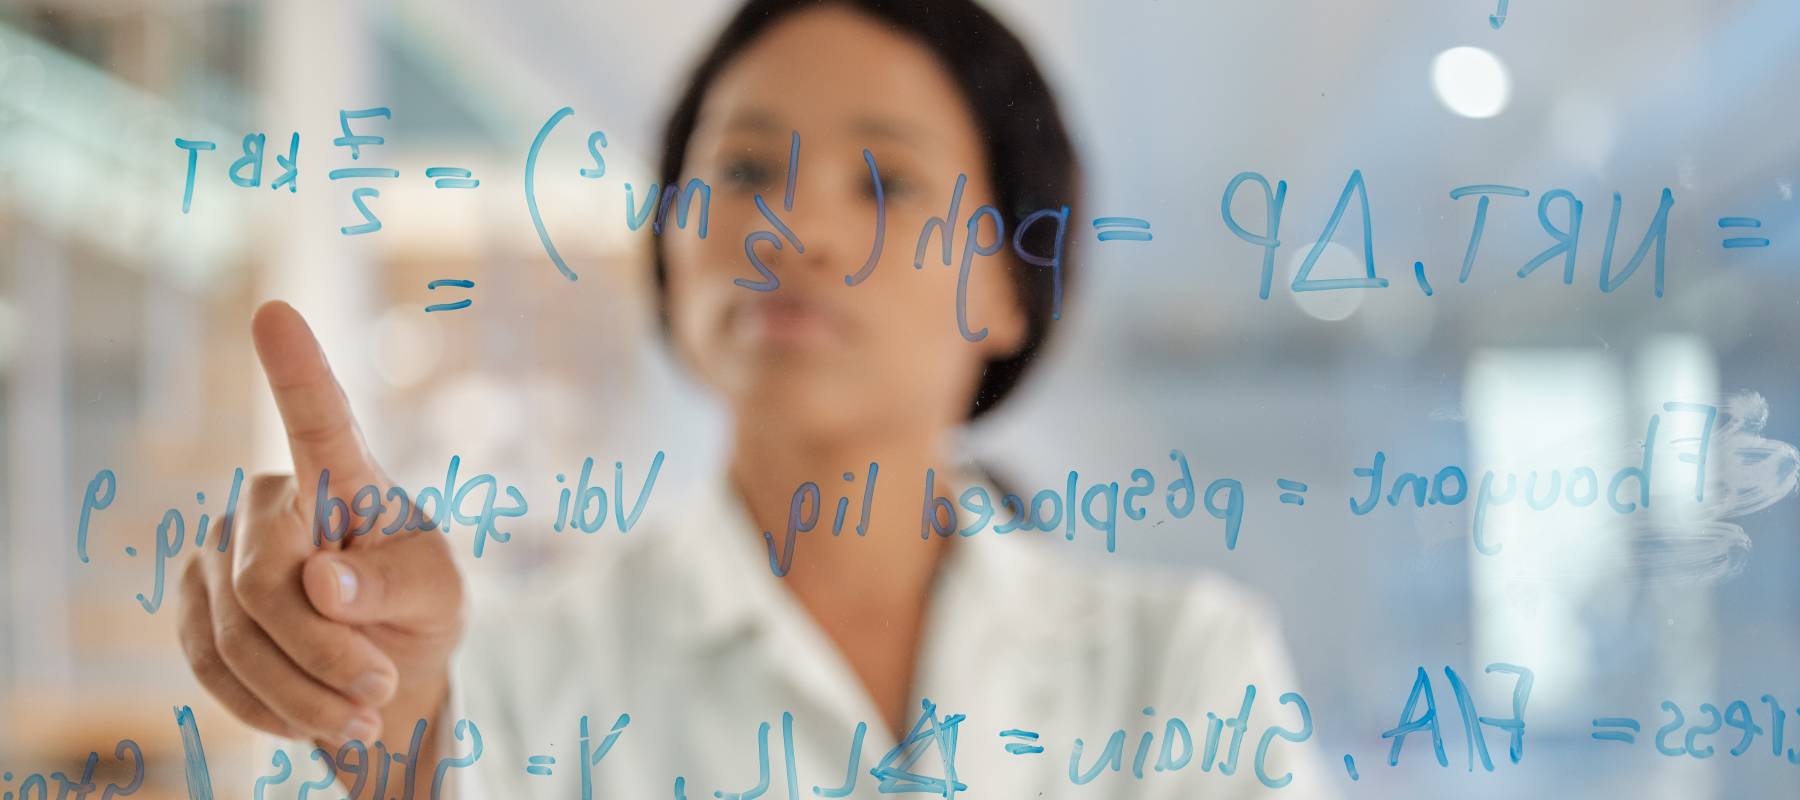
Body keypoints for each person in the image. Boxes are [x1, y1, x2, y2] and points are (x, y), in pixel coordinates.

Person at [176, 1, 1330, 796]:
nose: (794, 228)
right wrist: (396, 734)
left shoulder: (1181, 662)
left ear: (1007, 283)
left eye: (884, 181)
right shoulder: (498, 686)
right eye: (740, 173)